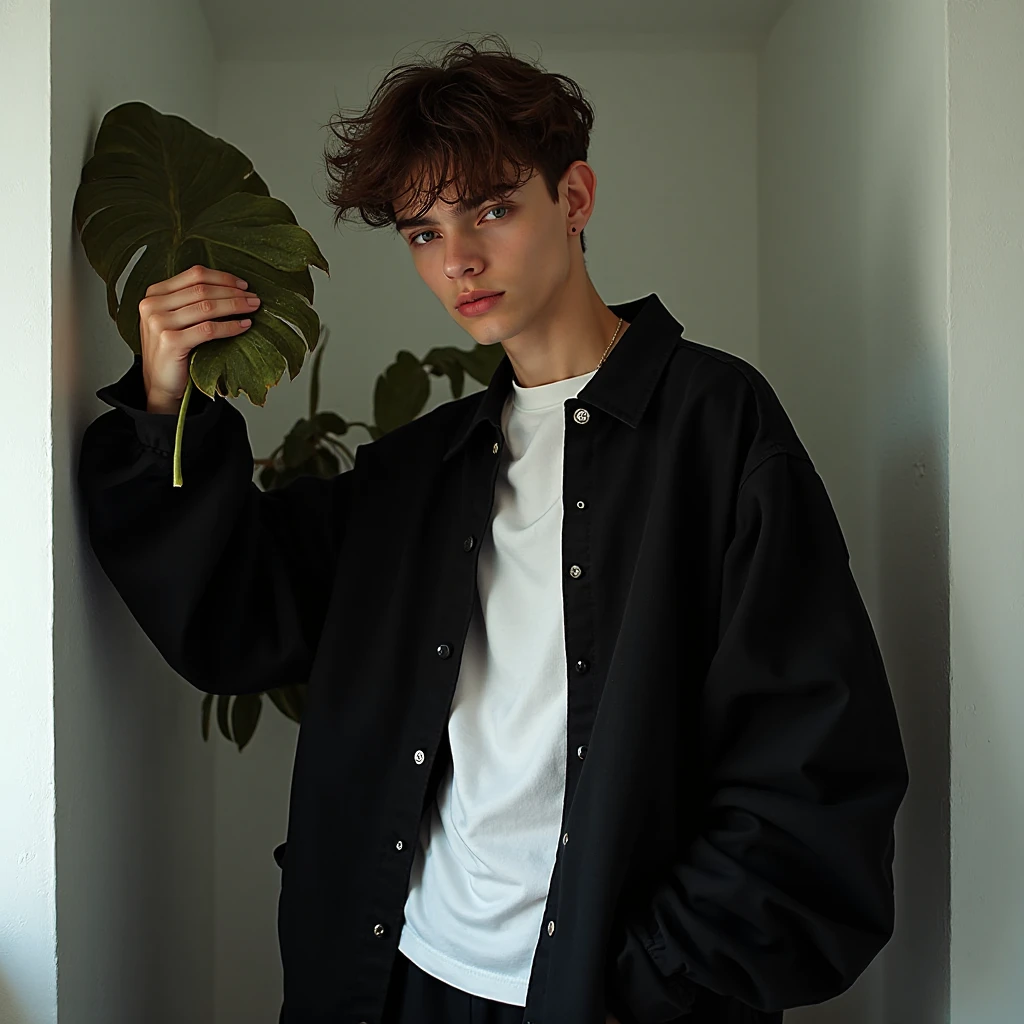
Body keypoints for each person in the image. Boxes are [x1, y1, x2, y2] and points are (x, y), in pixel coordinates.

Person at [77, 34, 909, 1024]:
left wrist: (640, 986)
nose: (458, 259)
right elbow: (237, 612)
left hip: (607, 994)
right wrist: (166, 405)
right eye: (422, 232)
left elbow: (811, 766)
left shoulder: (716, 427)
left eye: (491, 209)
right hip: (408, 979)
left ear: (574, 198)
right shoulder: (417, 472)